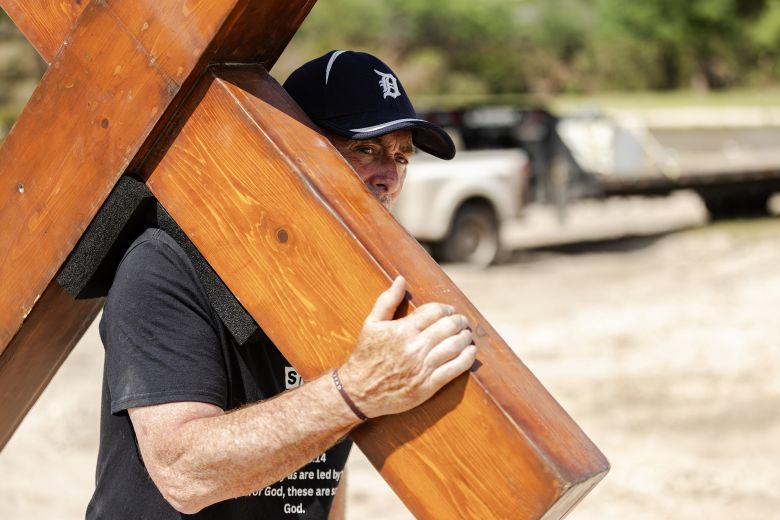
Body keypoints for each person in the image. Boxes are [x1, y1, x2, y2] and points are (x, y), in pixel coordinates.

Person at [86, 50, 476, 519]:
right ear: (290, 153)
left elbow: (325, 450)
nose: (389, 177)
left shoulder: (351, 278)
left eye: (401, 157)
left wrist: (349, 400)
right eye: (365, 149)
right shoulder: (166, 263)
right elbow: (182, 473)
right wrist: (356, 390)